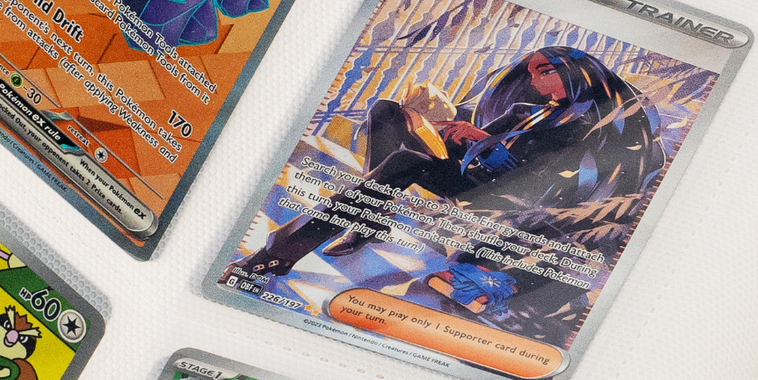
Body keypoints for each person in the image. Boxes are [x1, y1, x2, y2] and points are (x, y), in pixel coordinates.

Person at [242, 47, 664, 281]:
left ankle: (277, 254)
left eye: (545, 72)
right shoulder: (525, 110)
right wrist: (449, 129)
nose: (535, 81)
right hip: (469, 170)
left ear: (577, 72)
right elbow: (474, 139)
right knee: (386, 111)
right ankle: (369, 218)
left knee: (405, 161)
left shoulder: (588, 126)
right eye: (533, 74)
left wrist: (485, 143)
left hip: (500, 192)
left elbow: (541, 180)